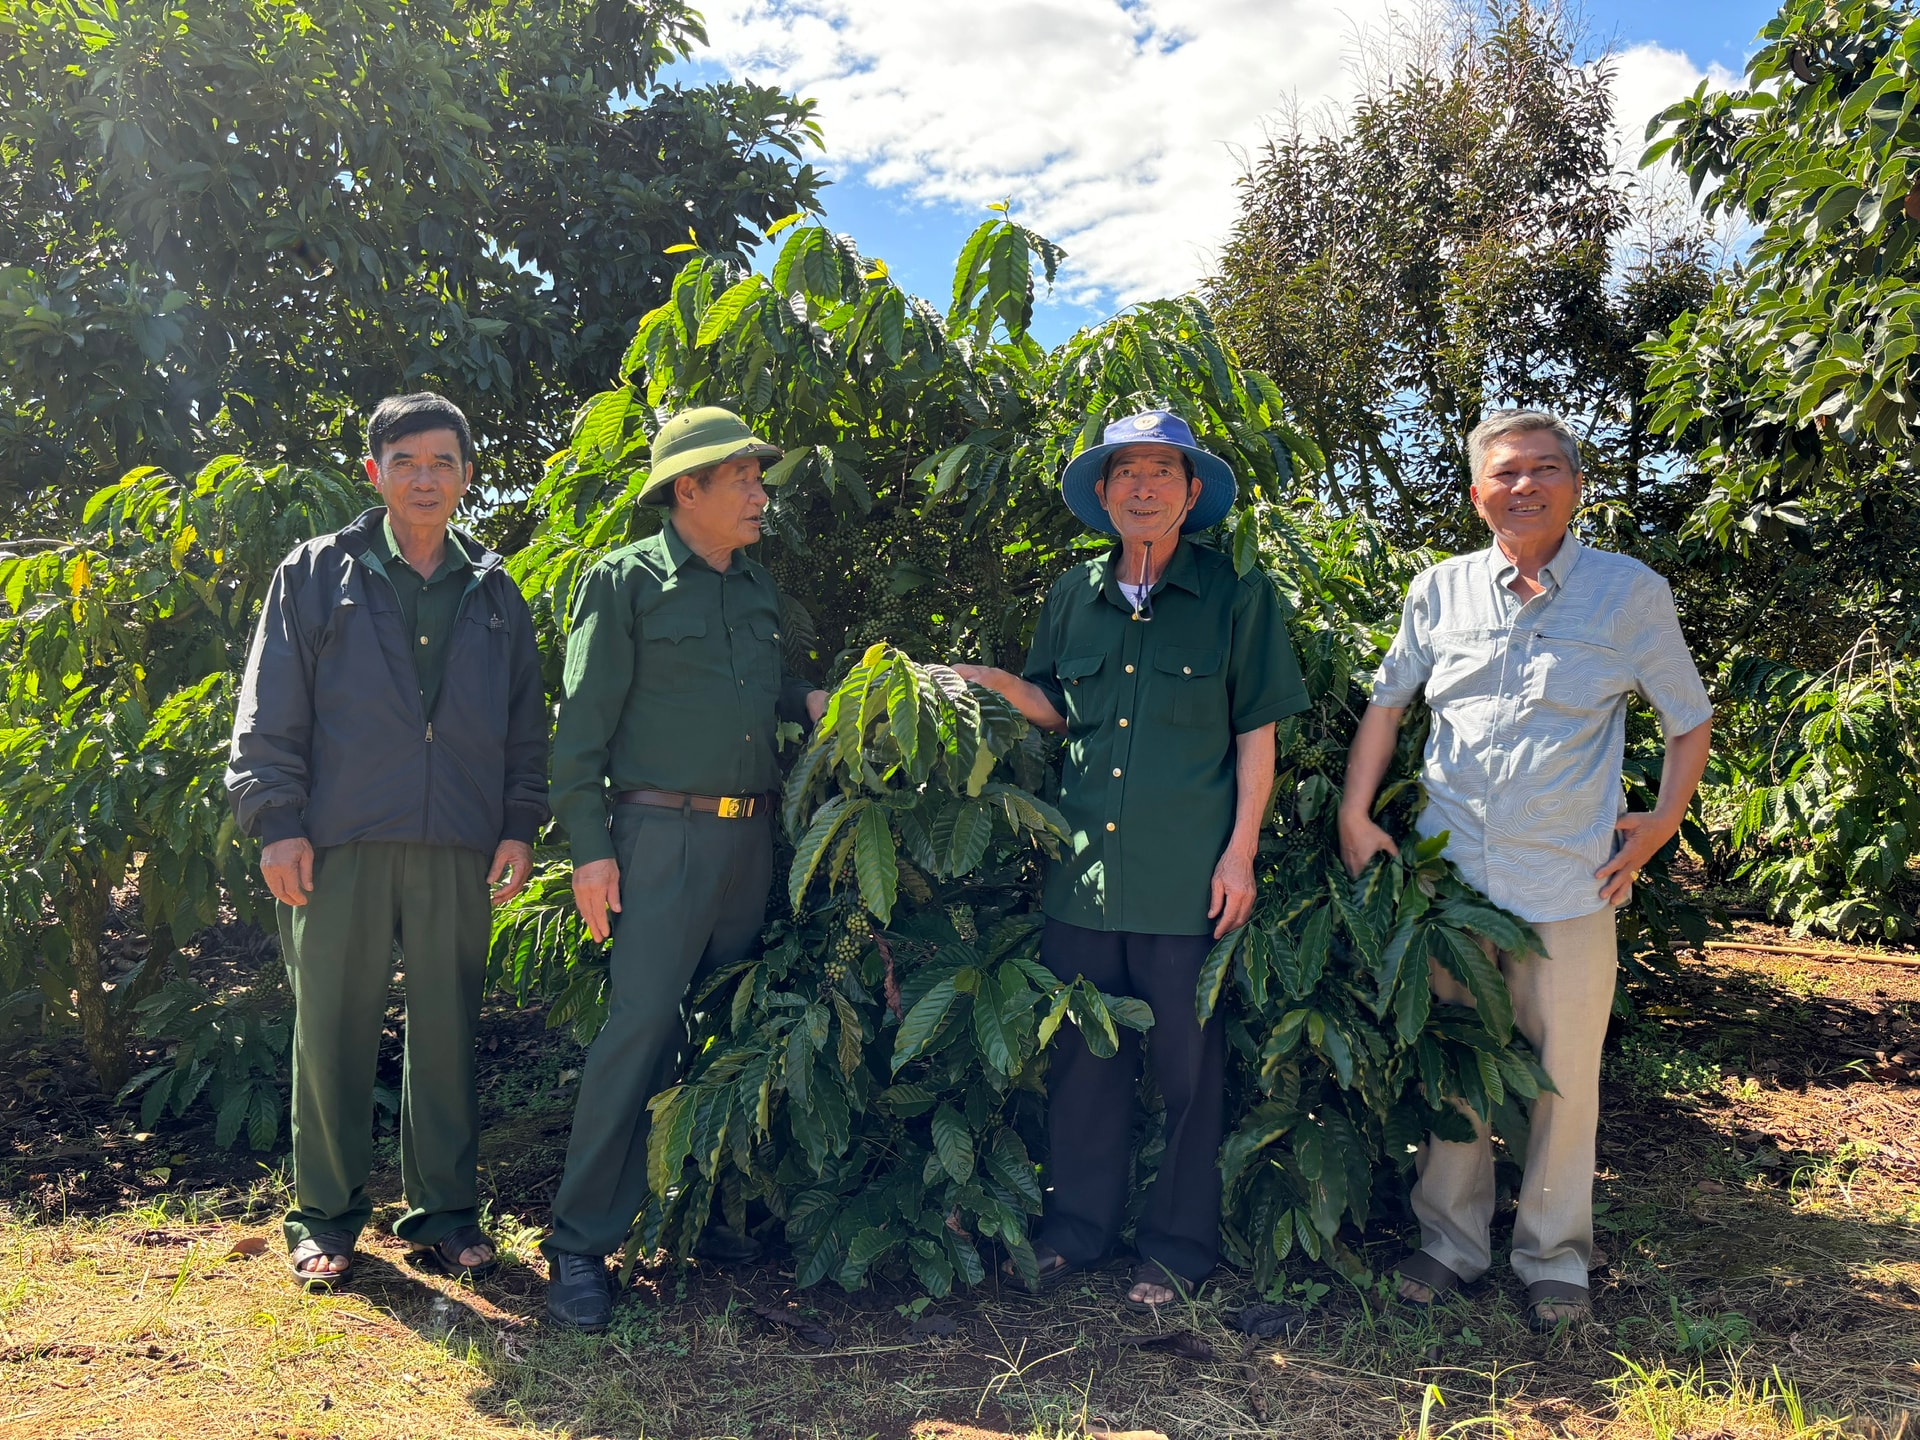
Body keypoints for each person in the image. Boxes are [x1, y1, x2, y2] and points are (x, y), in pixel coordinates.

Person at [1339, 408, 1713, 1330]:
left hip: (1570, 882)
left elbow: (1686, 715)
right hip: (1451, 880)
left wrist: (1663, 820)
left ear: (1576, 486)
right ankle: (1450, 1244)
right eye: (1505, 473)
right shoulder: (1438, 591)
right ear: (1478, 494)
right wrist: (1355, 811)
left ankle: (1554, 1256)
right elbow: (1388, 706)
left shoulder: (1630, 593)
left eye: (1546, 469)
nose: (1525, 486)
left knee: (1563, 1074)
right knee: (1457, 1064)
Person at [956, 409, 1310, 1309]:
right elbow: (1061, 708)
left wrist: (1240, 856)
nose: (1143, 488)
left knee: (1190, 1072)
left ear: (1192, 494)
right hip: (1083, 877)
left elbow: (1256, 736)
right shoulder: (1074, 592)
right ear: (1104, 494)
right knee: (1084, 1062)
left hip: (1188, 879)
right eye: (1126, 474)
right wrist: (1002, 689)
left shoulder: (1238, 595)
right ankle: (1075, 1230)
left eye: (1162, 472)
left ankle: (1178, 1249)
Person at [227, 392, 549, 1284]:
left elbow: (526, 724)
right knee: (330, 1028)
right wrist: (276, 823)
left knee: (447, 1031)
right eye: (404, 461)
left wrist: (520, 824)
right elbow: (270, 706)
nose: (423, 478)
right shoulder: (315, 570)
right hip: (337, 845)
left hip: (457, 843)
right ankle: (325, 1219)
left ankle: (443, 1212)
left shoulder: (496, 589)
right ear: (373, 473)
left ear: (467, 478)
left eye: (442, 462)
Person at [541, 405, 828, 1330]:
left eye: (758, 474)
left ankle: (710, 1215)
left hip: (753, 840)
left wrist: (818, 697)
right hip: (658, 839)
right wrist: (591, 852)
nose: (758, 491)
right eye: (740, 477)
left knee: (731, 1033)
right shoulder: (622, 583)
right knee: (639, 1033)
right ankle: (582, 1246)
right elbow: (579, 732)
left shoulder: (756, 590)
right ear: (686, 490)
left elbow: (756, 698)